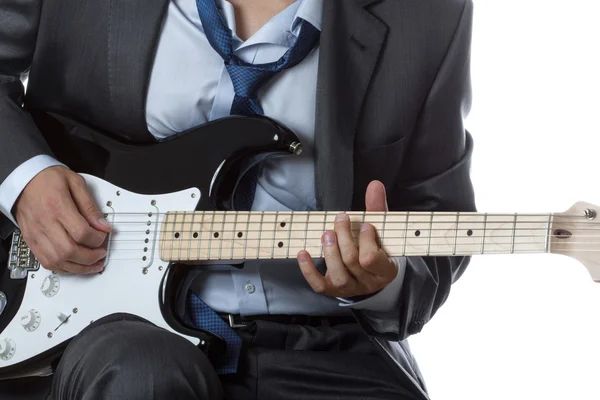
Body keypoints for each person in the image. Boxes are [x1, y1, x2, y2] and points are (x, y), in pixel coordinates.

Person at [0, 0, 476, 399]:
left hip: (325, 342)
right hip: (109, 332)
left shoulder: (428, 13)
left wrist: (379, 283)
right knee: (140, 377)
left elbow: (438, 217)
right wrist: (25, 180)